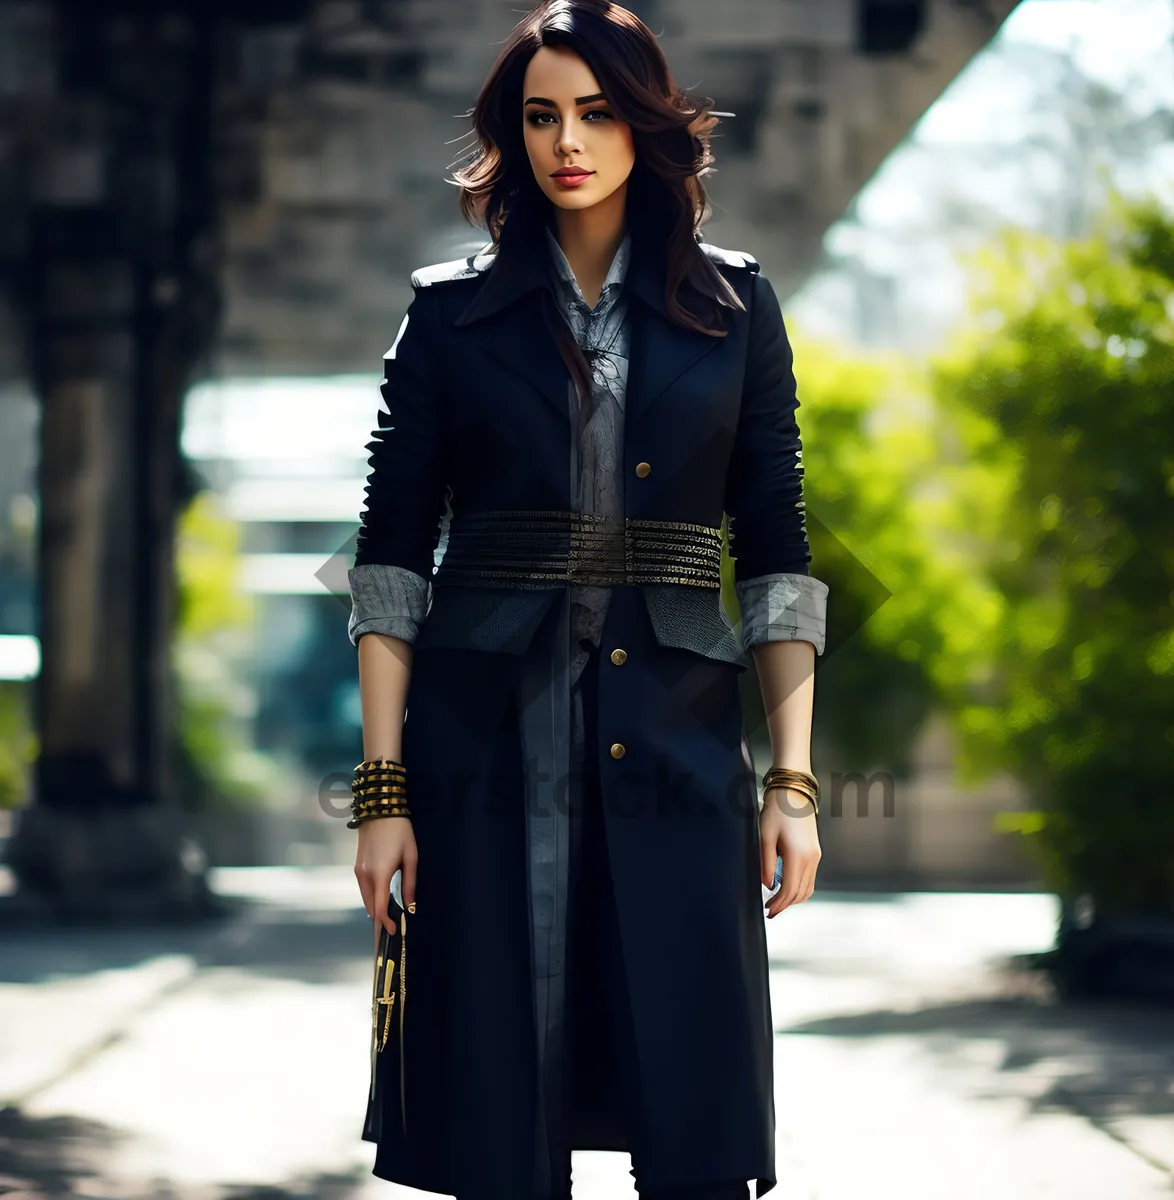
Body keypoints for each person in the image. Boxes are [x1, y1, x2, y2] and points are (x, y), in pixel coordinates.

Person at [346, 3, 829, 1198]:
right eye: (543, 115)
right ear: (513, 137)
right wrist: (383, 793)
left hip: (675, 737)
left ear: (645, 124)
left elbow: (774, 551)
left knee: (689, 1102)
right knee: (499, 1114)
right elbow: (392, 559)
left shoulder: (735, 308)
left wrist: (794, 783)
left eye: (600, 112)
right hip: (483, 741)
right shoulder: (448, 315)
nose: (571, 140)